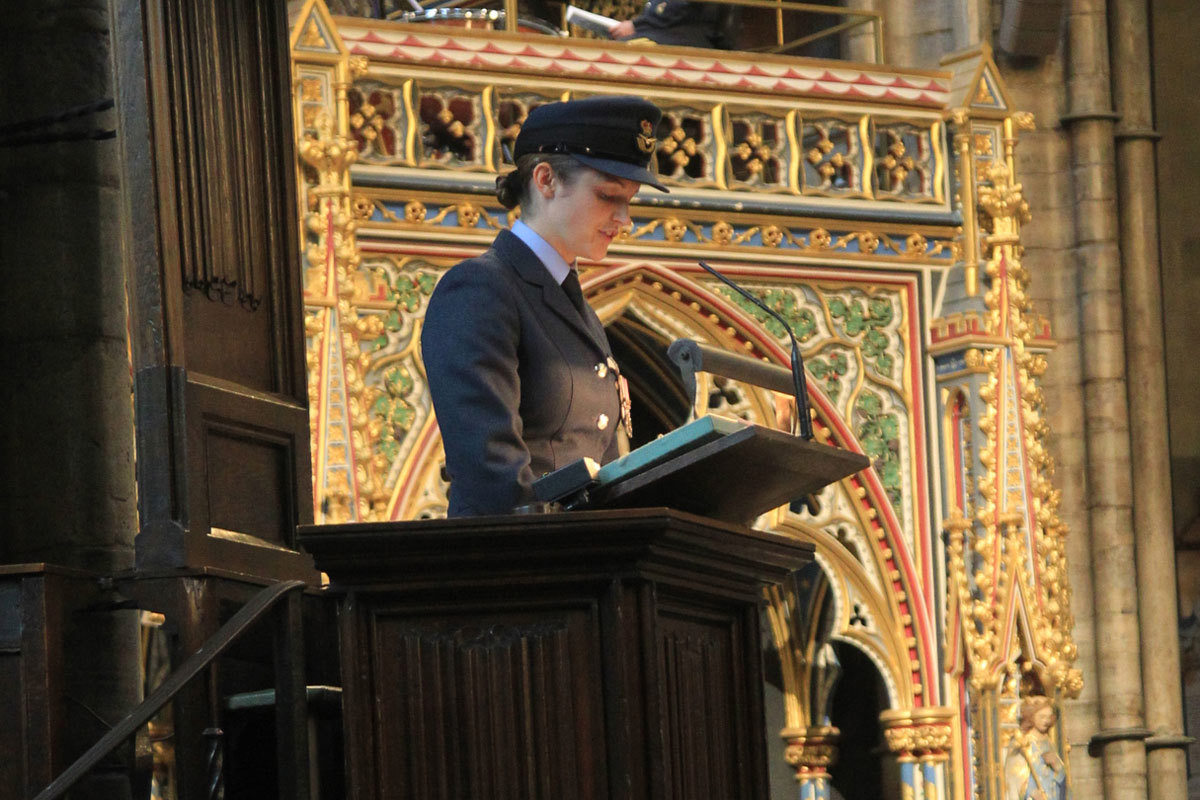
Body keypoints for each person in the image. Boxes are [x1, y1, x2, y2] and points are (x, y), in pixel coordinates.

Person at [421, 96, 668, 516]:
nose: (624, 218)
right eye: (609, 196)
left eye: (630, 200)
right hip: (515, 563)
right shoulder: (481, 288)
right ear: (546, 180)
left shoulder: (578, 310)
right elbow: (490, 474)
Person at [1004, 696, 1067, 800]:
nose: (1046, 721)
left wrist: (1058, 767)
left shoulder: (1049, 741)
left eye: (1049, 717)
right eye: (1042, 717)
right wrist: (1031, 792)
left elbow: (1061, 778)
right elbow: (1013, 775)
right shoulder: (1022, 742)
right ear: (1031, 717)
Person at [610, 1, 740, 50]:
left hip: (684, 35)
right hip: (661, 32)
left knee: (621, 51)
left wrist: (636, 25)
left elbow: (677, 10)